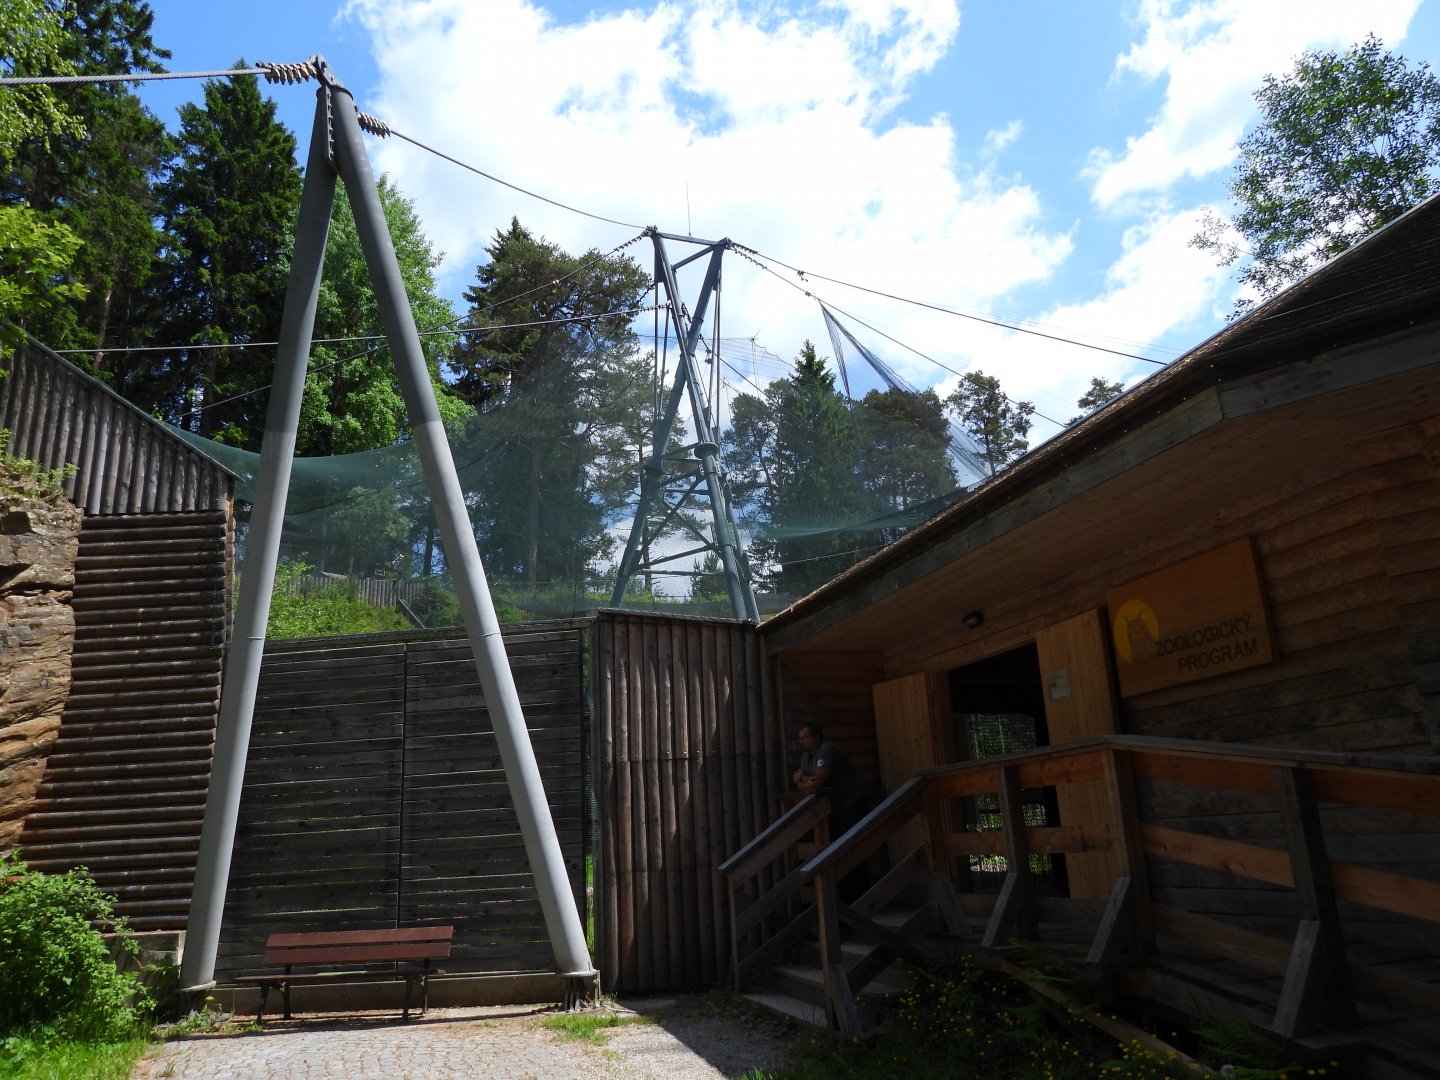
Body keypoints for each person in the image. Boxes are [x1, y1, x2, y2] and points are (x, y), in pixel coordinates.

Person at [792, 723, 866, 838]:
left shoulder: (826, 749)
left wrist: (800, 780)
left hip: (850, 801)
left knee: (854, 840)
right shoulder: (806, 755)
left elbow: (819, 781)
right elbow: (804, 781)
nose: (802, 742)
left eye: (805, 738)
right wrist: (803, 781)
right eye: (800, 738)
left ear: (816, 737)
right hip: (834, 805)